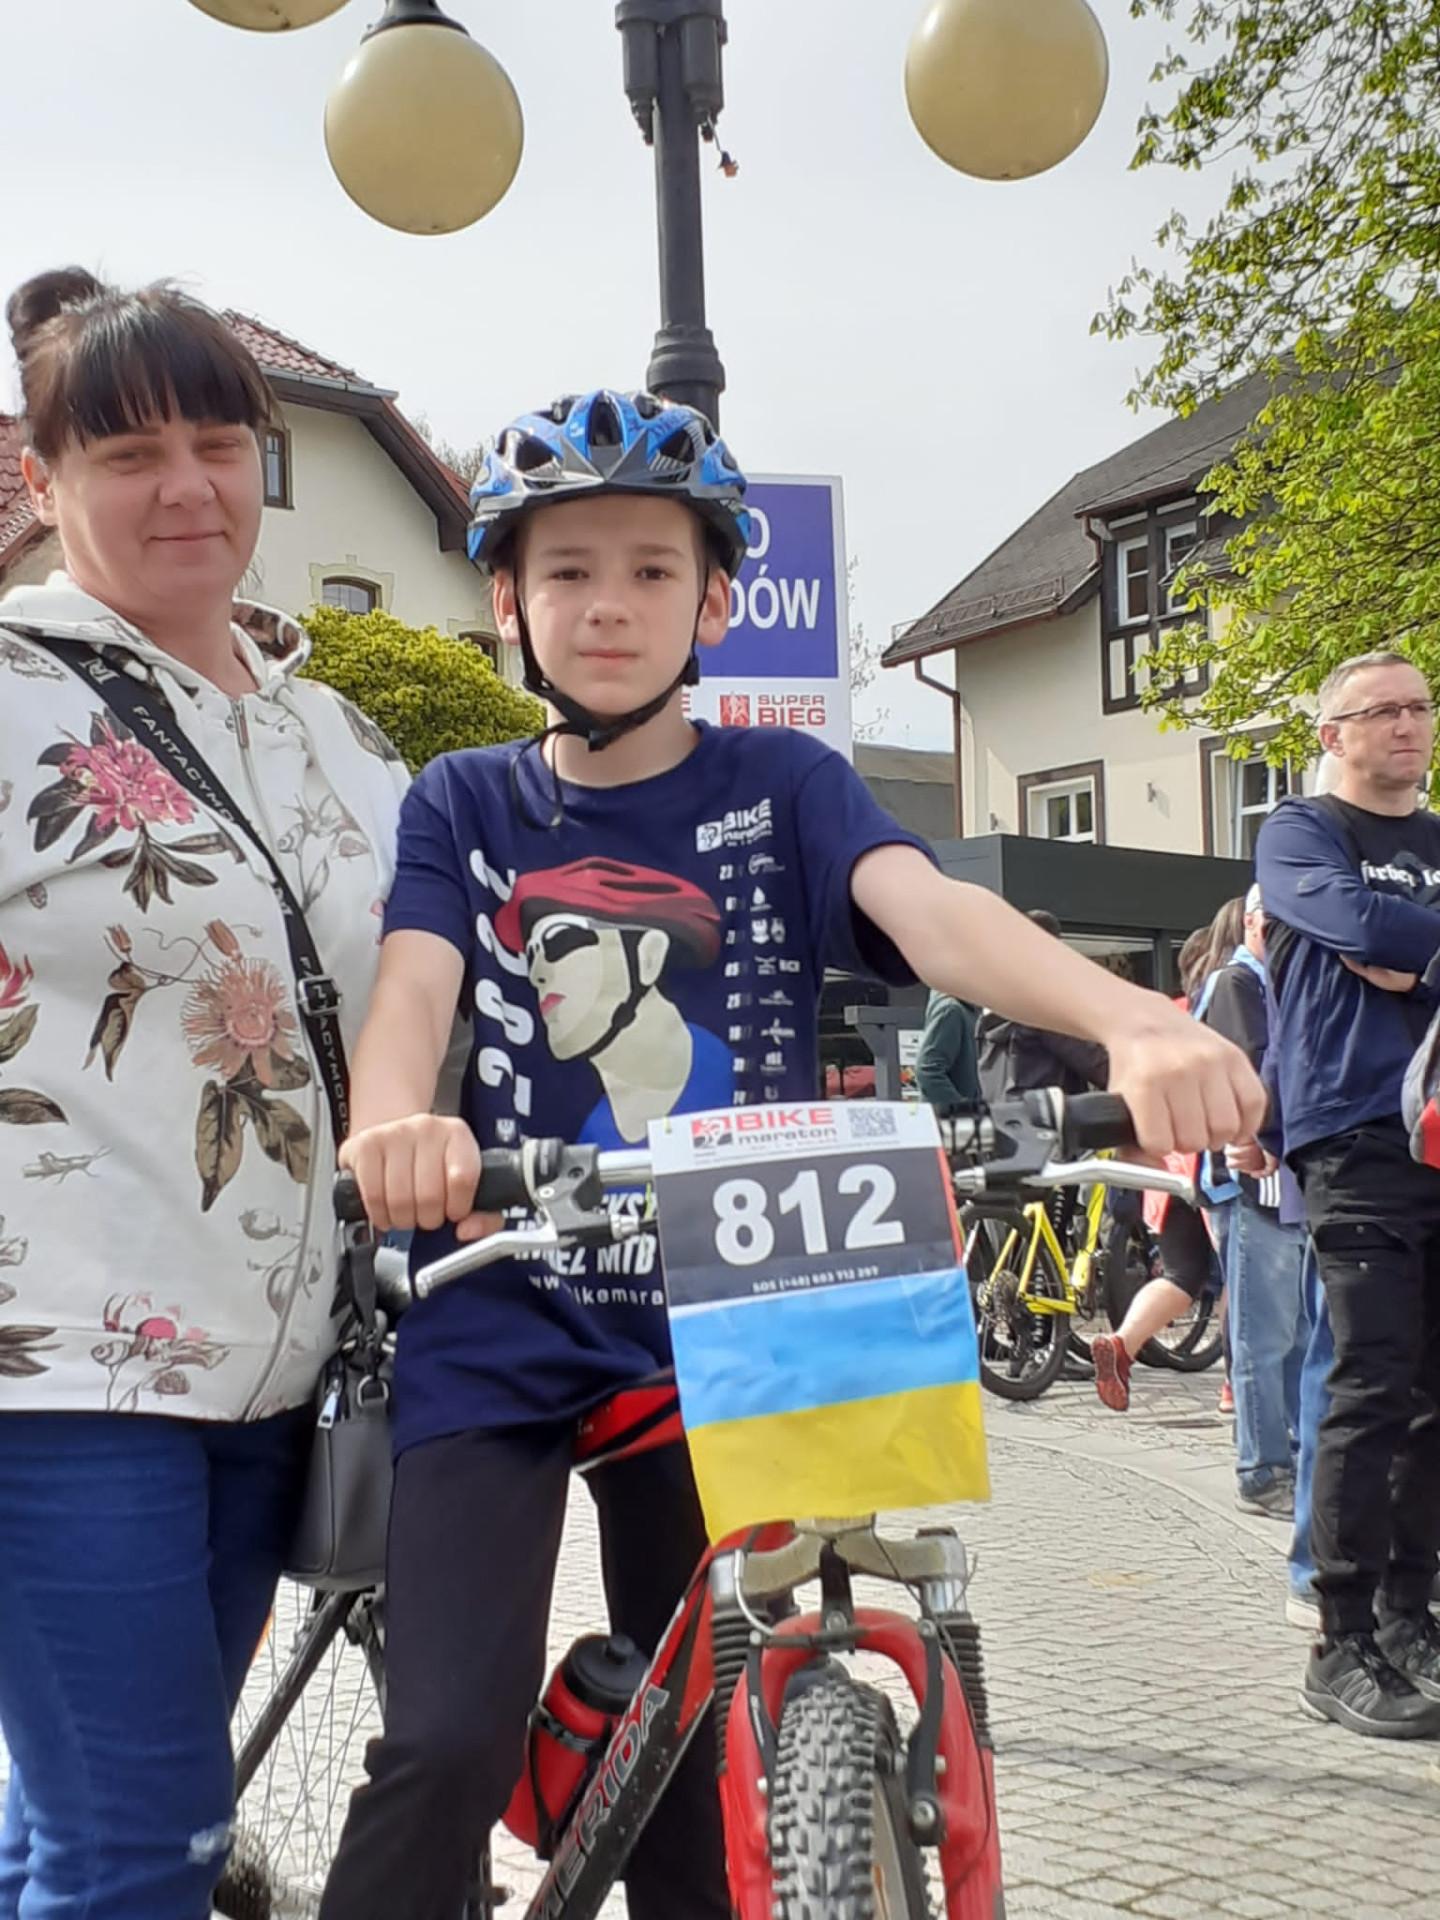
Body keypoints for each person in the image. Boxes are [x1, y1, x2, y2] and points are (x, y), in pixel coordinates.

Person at [316, 388, 1265, 1920]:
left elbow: (933, 913)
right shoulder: (466, 800)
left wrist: (1135, 1021)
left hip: (735, 1316)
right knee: (443, 1745)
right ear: (506, 600)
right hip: (499, 1308)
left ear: (716, 601)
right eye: (567, 571)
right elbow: (414, 991)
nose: (607, 604)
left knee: (707, 1765)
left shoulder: (786, 786)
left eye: (651, 568)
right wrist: (391, 1127)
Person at [0, 269, 408, 1917]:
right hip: (60, 1365)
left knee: (79, 1828)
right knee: (144, 1844)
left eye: (218, 444)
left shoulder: (343, 736)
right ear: (45, 483)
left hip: (279, 1376)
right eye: (127, 455)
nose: (186, 487)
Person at [1258, 648, 1440, 1737]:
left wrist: (1416, 962)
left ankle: (1413, 1617)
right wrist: (1394, 945)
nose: (1410, 725)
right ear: (1333, 734)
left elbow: (1387, 941)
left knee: (1433, 1393)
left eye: (1421, 706)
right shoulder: (1301, 832)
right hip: (1355, 1132)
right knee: (1370, 1381)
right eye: (1383, 711)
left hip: (1439, 1136)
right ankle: (1338, 1640)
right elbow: (1363, 928)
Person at [1089, 900, 1242, 1413]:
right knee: (1240, 1274)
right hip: (1216, 1163)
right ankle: (1235, 1383)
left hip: (1167, 1167)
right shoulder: (1234, 1004)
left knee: (1180, 1275)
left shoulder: (1171, 1015)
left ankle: (1123, 1343)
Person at [1202, 883, 1308, 1518]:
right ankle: (1264, 1469)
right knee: (1266, 1337)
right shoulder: (1239, 984)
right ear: (1253, 924)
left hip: (1278, 1182)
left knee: (1289, 1335)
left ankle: (1284, 1459)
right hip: (1254, 1183)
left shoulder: (1265, 983)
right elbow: (1252, 1076)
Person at [915, 987, 980, 1112]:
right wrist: (962, 1109)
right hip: (949, 1118)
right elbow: (927, 1070)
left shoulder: (963, 1009)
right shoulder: (951, 1009)